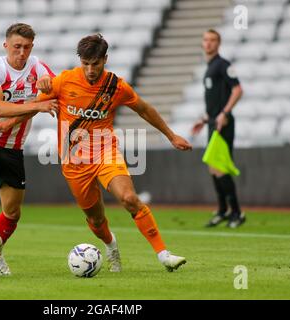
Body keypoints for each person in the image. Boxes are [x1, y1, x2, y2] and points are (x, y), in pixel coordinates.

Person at [35, 34, 192, 272]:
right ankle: (111, 245)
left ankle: (163, 255)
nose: (89, 69)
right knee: (96, 220)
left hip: (105, 153)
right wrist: (35, 96)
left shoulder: (115, 86)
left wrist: (171, 135)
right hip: (74, 162)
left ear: (105, 59)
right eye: (85, 63)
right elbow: (36, 104)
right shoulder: (64, 81)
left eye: (95, 63)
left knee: (129, 198)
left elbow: (144, 109)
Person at [0, 23, 58, 276]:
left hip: (13, 147)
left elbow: (57, 95)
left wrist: (49, 87)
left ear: (32, 47)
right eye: (17, 47)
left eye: (27, 47)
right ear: (6, 45)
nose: (22, 52)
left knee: (13, 213)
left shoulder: (39, 67)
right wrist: (37, 105)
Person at [191, 29, 245, 228]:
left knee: (219, 167)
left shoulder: (223, 65)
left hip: (224, 124)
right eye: (205, 40)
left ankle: (236, 212)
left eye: (212, 40)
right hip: (213, 122)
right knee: (213, 168)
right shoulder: (210, 67)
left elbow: (238, 89)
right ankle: (223, 210)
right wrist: (205, 119)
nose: (208, 43)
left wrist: (225, 113)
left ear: (218, 43)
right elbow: (215, 101)